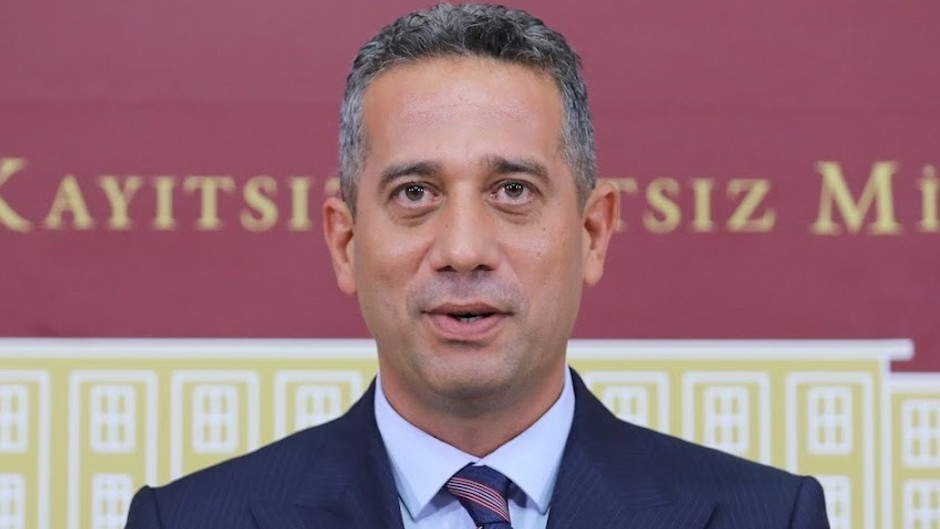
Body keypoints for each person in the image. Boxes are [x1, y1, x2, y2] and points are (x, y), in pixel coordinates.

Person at [125, 4, 829, 528]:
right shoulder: (188, 521)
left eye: (513, 191)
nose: (463, 249)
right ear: (345, 243)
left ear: (593, 232)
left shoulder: (767, 517)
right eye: (415, 194)